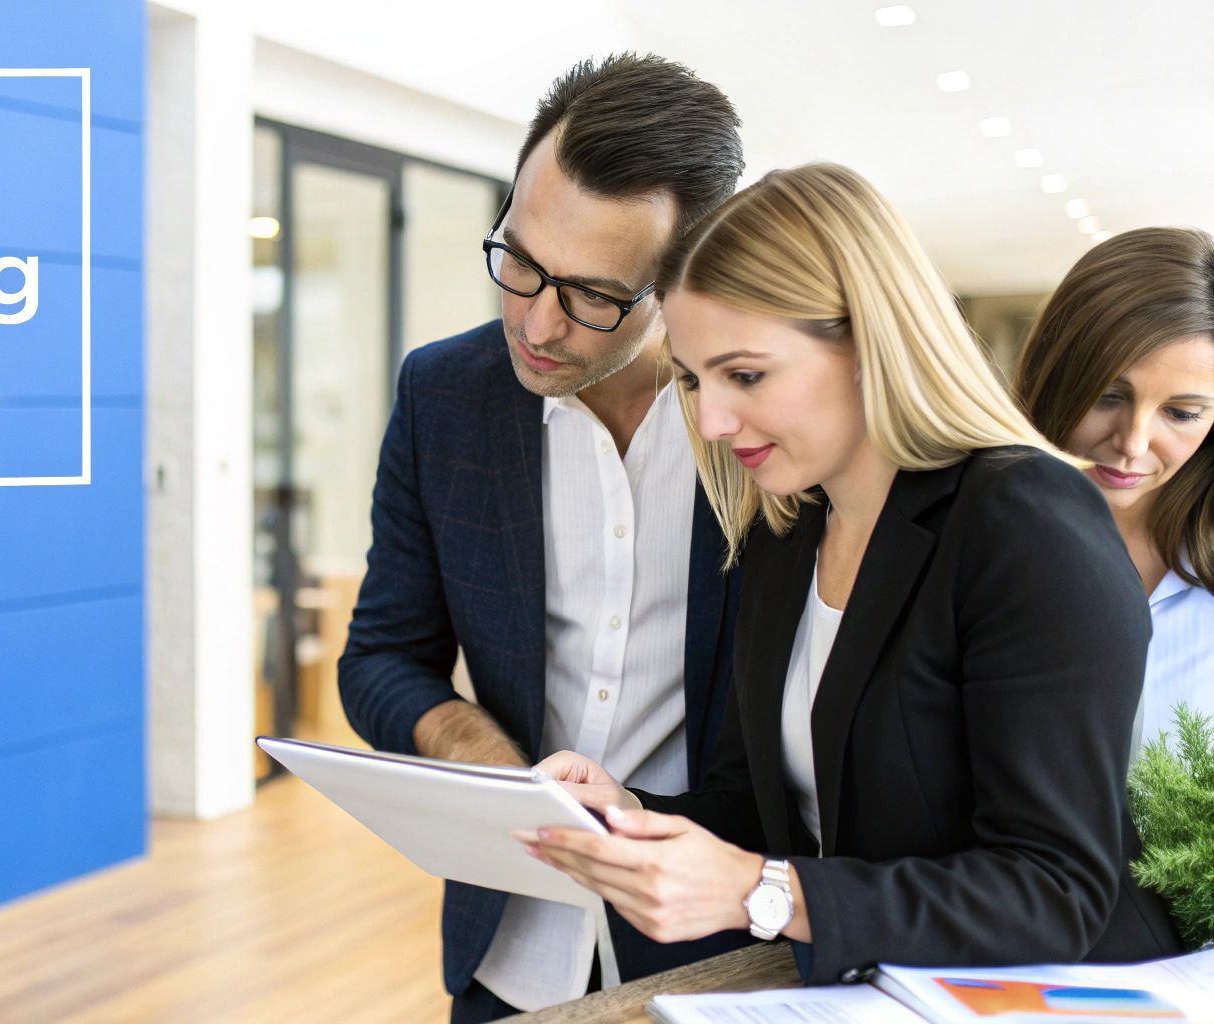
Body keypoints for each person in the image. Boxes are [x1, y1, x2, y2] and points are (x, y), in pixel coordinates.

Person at [517, 164, 1184, 986]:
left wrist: (767, 895)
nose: (715, 422)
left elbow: (1056, 891)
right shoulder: (788, 526)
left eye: (747, 375)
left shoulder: (1023, 522)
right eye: (694, 381)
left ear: (870, 343)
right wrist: (627, 815)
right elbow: (755, 804)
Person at [336, 54, 749, 1019]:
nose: (537, 321)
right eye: (519, 261)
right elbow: (383, 656)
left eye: (595, 295)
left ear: (690, 275)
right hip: (507, 949)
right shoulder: (443, 396)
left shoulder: (761, 424)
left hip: (719, 956)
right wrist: (492, 769)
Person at [1013, 228, 1214, 753]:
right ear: (1052, 377)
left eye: (1181, 413)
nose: (1132, 442)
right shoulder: (961, 548)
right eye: (1107, 397)